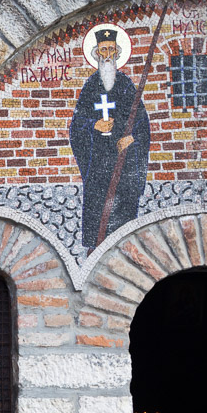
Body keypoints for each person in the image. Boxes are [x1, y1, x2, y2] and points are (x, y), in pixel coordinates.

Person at [69, 24, 151, 250]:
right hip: (97, 163)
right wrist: (94, 124)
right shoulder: (90, 87)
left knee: (123, 213)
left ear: (117, 53)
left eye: (111, 50)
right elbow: (77, 124)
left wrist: (131, 139)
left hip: (124, 160)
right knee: (98, 215)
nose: (107, 55)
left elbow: (142, 122)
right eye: (103, 50)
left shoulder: (125, 86)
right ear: (96, 53)